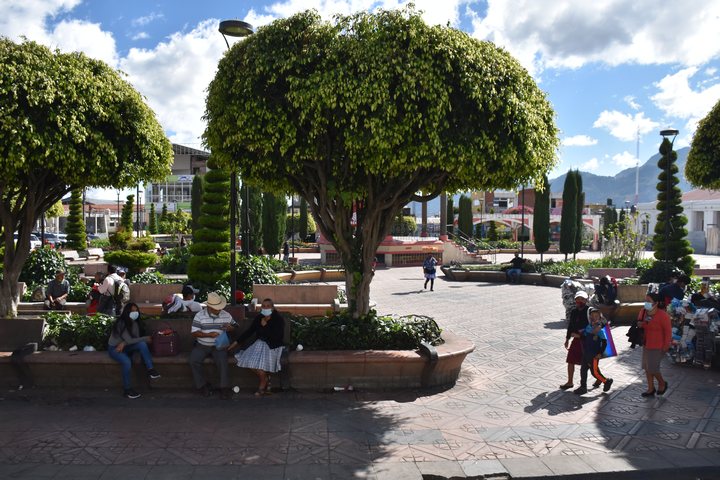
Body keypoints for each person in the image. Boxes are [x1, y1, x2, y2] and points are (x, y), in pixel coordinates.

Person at [229, 298, 286, 396]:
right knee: (249, 361)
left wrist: (265, 326)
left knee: (260, 366)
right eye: (263, 306)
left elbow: (277, 336)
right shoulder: (259, 317)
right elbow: (250, 331)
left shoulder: (278, 319)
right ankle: (265, 378)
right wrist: (236, 343)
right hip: (259, 344)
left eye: (268, 306)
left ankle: (262, 384)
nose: (265, 308)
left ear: (272, 308)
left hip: (273, 346)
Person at [107, 303, 161, 399]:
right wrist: (144, 338)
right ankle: (127, 390)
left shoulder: (135, 323)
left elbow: (133, 340)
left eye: (136, 310)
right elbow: (131, 340)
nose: (134, 313)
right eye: (132, 311)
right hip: (115, 349)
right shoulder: (121, 322)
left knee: (142, 344)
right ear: (127, 312)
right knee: (127, 362)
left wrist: (124, 343)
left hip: (125, 346)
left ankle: (151, 370)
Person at [189, 292, 237, 399]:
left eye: (219, 307)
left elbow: (235, 326)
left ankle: (224, 388)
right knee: (193, 360)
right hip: (202, 345)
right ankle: (202, 386)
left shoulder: (226, 314)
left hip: (219, 346)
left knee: (222, 361)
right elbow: (194, 332)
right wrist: (208, 335)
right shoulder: (199, 315)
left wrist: (230, 328)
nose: (218, 310)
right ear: (209, 307)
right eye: (216, 308)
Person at [638, 292, 672, 397]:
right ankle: (650, 388)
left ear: (656, 303)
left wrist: (666, 346)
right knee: (647, 368)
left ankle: (662, 383)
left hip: (658, 346)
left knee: (653, 368)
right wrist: (641, 324)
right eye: (646, 300)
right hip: (646, 343)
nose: (646, 303)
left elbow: (668, 332)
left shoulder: (663, 315)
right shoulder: (643, 312)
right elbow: (643, 326)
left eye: (649, 301)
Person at [574, 308, 613, 395]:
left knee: (594, 372)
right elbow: (585, 337)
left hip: (594, 354)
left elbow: (604, 342)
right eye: (592, 316)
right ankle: (583, 387)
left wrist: (600, 353)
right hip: (586, 353)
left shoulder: (600, 330)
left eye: (596, 316)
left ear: (599, 318)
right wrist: (579, 335)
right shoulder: (589, 327)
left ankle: (606, 381)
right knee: (583, 370)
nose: (594, 318)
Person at [560, 290, 590, 390]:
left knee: (589, 363)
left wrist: (581, 335)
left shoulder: (590, 311)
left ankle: (601, 379)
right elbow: (571, 326)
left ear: (586, 300)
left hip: (588, 342)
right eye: (577, 299)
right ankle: (570, 382)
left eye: (582, 299)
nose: (579, 301)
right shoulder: (574, 311)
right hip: (576, 341)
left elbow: (596, 327)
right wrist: (567, 338)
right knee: (570, 360)